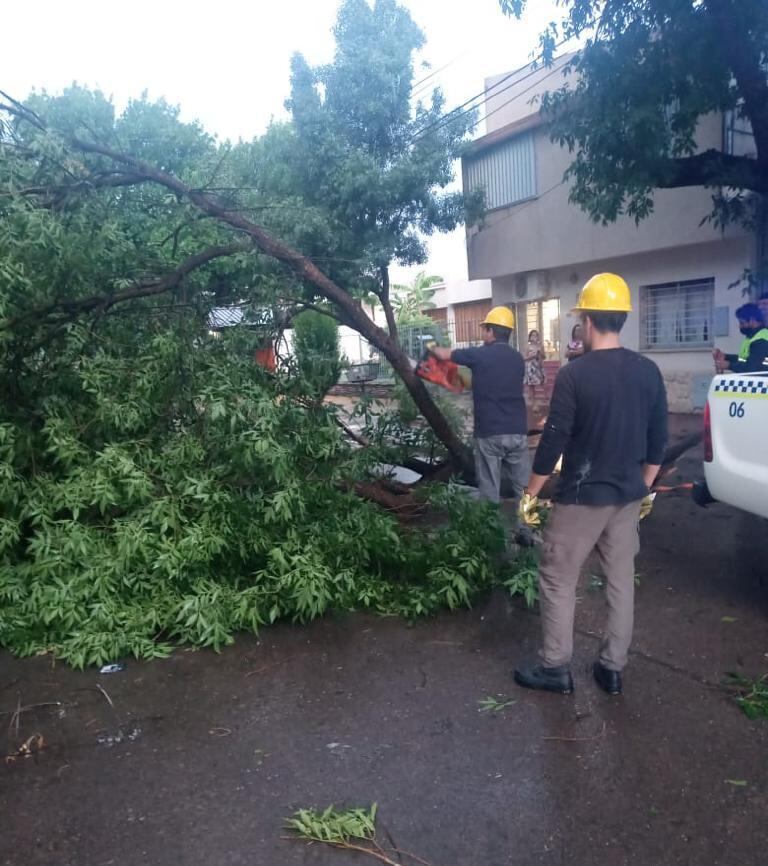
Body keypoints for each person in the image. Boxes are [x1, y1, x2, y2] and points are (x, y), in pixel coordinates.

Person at [513, 273, 668, 696]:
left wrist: (530, 494)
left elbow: (553, 442)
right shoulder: (648, 371)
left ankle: (555, 667)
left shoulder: (575, 375)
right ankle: (612, 669)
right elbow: (658, 443)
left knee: (557, 576)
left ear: (588, 320)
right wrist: (645, 490)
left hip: (582, 498)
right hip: (627, 497)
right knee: (620, 581)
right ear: (620, 318)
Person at [432, 307, 528, 505]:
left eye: (484, 328)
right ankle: (527, 531)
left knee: (489, 489)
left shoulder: (479, 355)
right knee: (524, 490)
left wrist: (430, 348)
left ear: (491, 331)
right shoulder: (518, 359)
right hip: (517, 432)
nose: (482, 332)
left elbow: (444, 354)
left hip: (489, 433)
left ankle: (491, 532)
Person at [713, 303, 768, 374]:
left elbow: (752, 368)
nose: (740, 326)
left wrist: (729, 365)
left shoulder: (761, 340)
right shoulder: (752, 337)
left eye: (742, 323)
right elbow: (744, 359)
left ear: (752, 320)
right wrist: (726, 356)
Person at [523, 329, 546, 410]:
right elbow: (524, 358)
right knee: (531, 386)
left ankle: (545, 399)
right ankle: (534, 404)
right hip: (530, 367)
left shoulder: (541, 346)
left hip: (538, 366)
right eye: (532, 335)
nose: (534, 337)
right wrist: (531, 357)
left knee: (542, 383)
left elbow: (544, 356)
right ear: (530, 337)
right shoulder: (528, 346)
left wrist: (540, 353)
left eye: (535, 335)